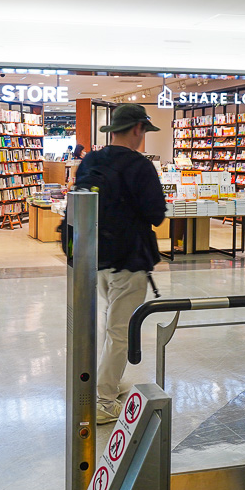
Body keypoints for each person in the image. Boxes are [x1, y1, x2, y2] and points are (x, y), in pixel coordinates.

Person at [73, 104, 166, 425]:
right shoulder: (140, 167)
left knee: (110, 321)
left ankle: (105, 379)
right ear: (138, 129)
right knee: (120, 330)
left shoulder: (91, 159)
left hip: (94, 257)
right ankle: (103, 398)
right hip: (129, 260)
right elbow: (156, 214)